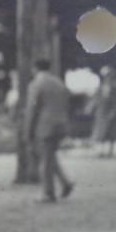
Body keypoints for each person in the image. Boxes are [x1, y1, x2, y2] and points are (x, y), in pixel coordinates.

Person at [26, 57, 75, 203]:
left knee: (46, 161)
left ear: (35, 68)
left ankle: (48, 193)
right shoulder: (58, 82)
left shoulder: (36, 84)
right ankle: (66, 183)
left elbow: (32, 109)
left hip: (45, 126)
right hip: (60, 124)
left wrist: (28, 131)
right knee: (49, 156)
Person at [91, 66, 116, 157]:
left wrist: (114, 111)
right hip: (102, 111)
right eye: (105, 76)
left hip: (110, 110)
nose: (107, 78)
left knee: (111, 132)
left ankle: (110, 150)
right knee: (101, 132)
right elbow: (96, 98)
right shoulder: (101, 86)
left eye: (109, 76)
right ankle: (101, 151)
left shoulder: (115, 86)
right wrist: (92, 107)